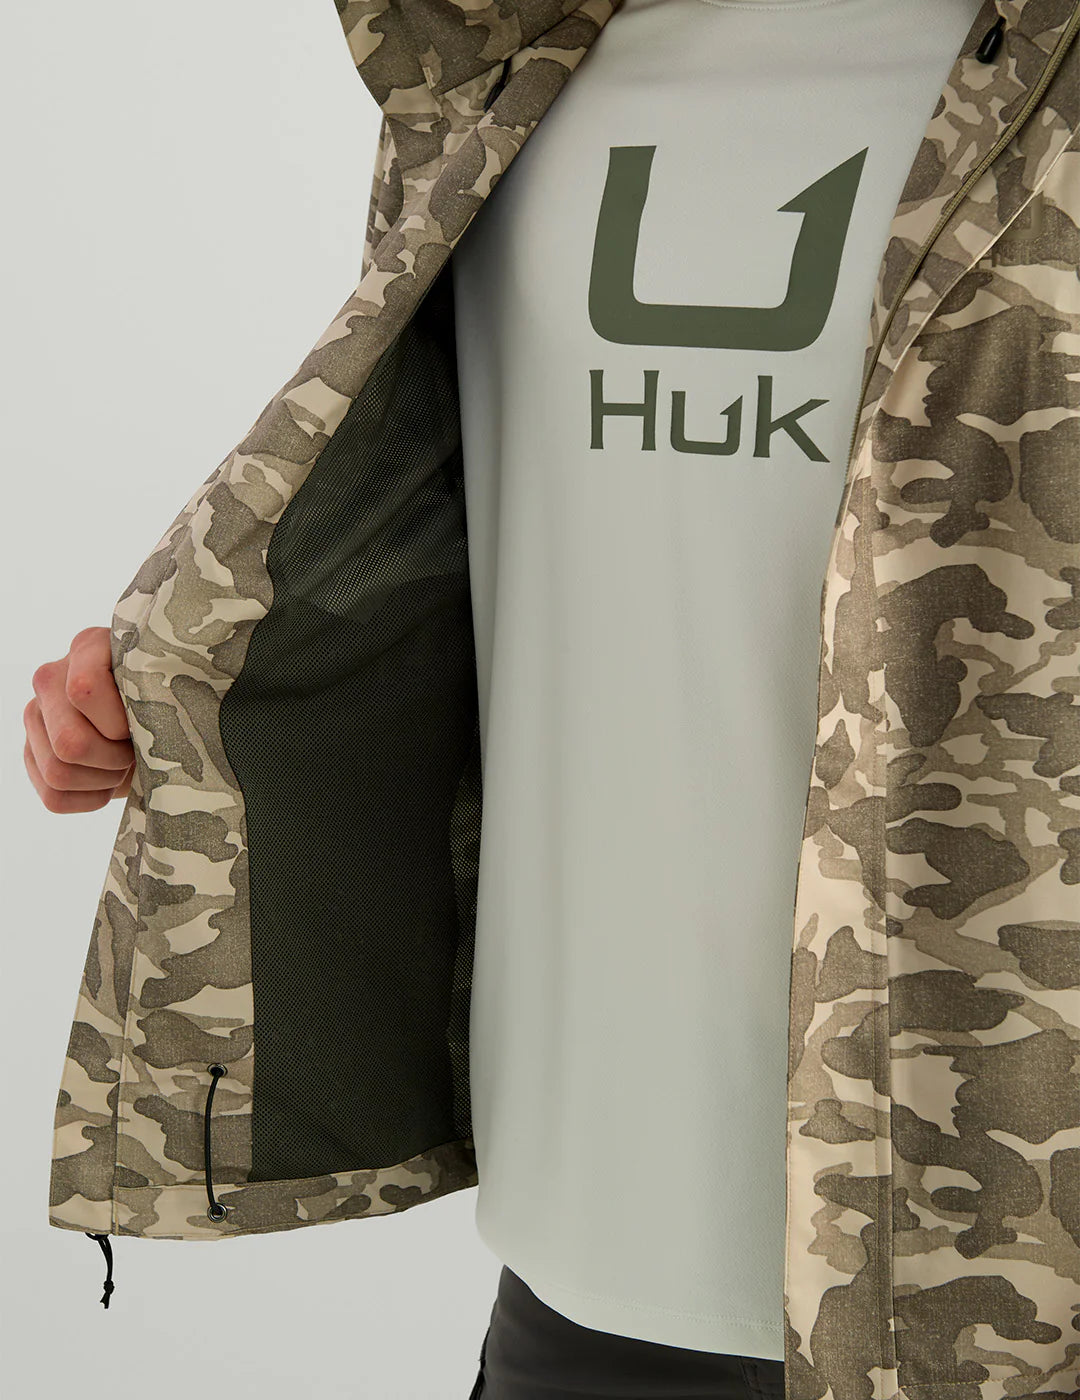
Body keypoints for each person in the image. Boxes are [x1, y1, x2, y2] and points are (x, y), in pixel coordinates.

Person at [27, 1, 1080, 1398]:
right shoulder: (497, 62)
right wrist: (212, 685)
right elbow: (497, 535)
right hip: (587, 1254)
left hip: (1003, 1273)